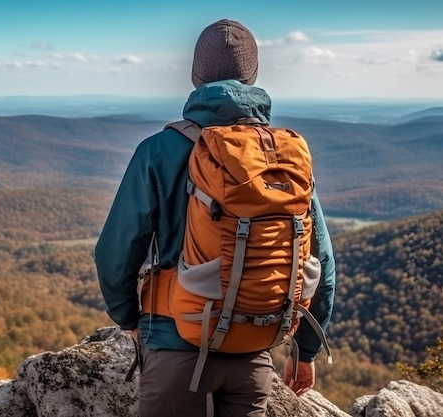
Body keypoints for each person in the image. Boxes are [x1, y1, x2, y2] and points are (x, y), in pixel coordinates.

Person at [94, 19, 335, 417]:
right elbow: (320, 264)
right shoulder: (283, 159)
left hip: (175, 346)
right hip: (254, 351)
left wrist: (129, 319)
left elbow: (115, 251)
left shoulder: (159, 150)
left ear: (196, 77)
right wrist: (305, 350)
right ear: (253, 77)